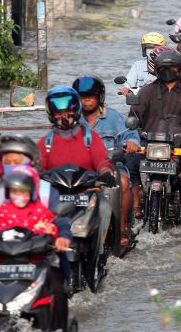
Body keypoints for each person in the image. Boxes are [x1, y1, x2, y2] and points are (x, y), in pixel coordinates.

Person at [0, 167, 68, 332]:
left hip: (36, 263)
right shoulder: (1, 212)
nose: (19, 194)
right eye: (15, 190)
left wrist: (53, 233)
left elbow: (54, 227)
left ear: (31, 191)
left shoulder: (41, 211)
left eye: (23, 190)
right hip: (3, 265)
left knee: (58, 291)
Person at [128, 49, 181, 220]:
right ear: (157, 69)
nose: (169, 71)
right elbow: (133, 118)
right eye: (164, 67)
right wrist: (132, 135)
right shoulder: (145, 92)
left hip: (179, 142)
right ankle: (136, 201)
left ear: (180, 69)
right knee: (129, 160)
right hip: (149, 141)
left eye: (173, 67)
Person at [0, 134, 71, 252]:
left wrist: (63, 237)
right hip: (1, 253)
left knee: (63, 261)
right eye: (7, 162)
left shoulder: (47, 191)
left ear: (32, 163)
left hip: (40, 252)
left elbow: (61, 221)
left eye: (17, 162)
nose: (12, 167)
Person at [72, 75, 141, 247]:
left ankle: (123, 227)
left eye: (90, 96)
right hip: (81, 169)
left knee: (124, 182)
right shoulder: (70, 119)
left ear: (100, 97)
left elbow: (130, 133)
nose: (86, 100)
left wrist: (132, 143)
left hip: (111, 165)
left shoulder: (113, 116)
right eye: (82, 96)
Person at [37, 86, 111, 176]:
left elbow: (101, 161)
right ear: (52, 115)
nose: (64, 116)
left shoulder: (90, 138)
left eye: (68, 112)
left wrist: (105, 172)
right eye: (59, 113)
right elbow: (37, 169)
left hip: (87, 188)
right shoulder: (45, 143)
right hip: (56, 189)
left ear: (76, 111)